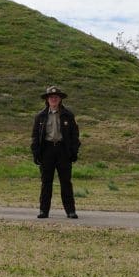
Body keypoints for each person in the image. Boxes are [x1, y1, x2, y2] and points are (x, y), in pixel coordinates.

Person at [30, 85, 81, 219]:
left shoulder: (68, 115)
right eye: (51, 97)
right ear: (47, 100)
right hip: (47, 150)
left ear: (60, 99)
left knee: (66, 182)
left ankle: (70, 211)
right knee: (46, 182)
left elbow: (75, 135)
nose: (53, 99)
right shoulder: (40, 116)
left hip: (63, 150)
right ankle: (43, 210)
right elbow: (35, 136)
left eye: (56, 97)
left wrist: (74, 152)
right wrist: (36, 153)